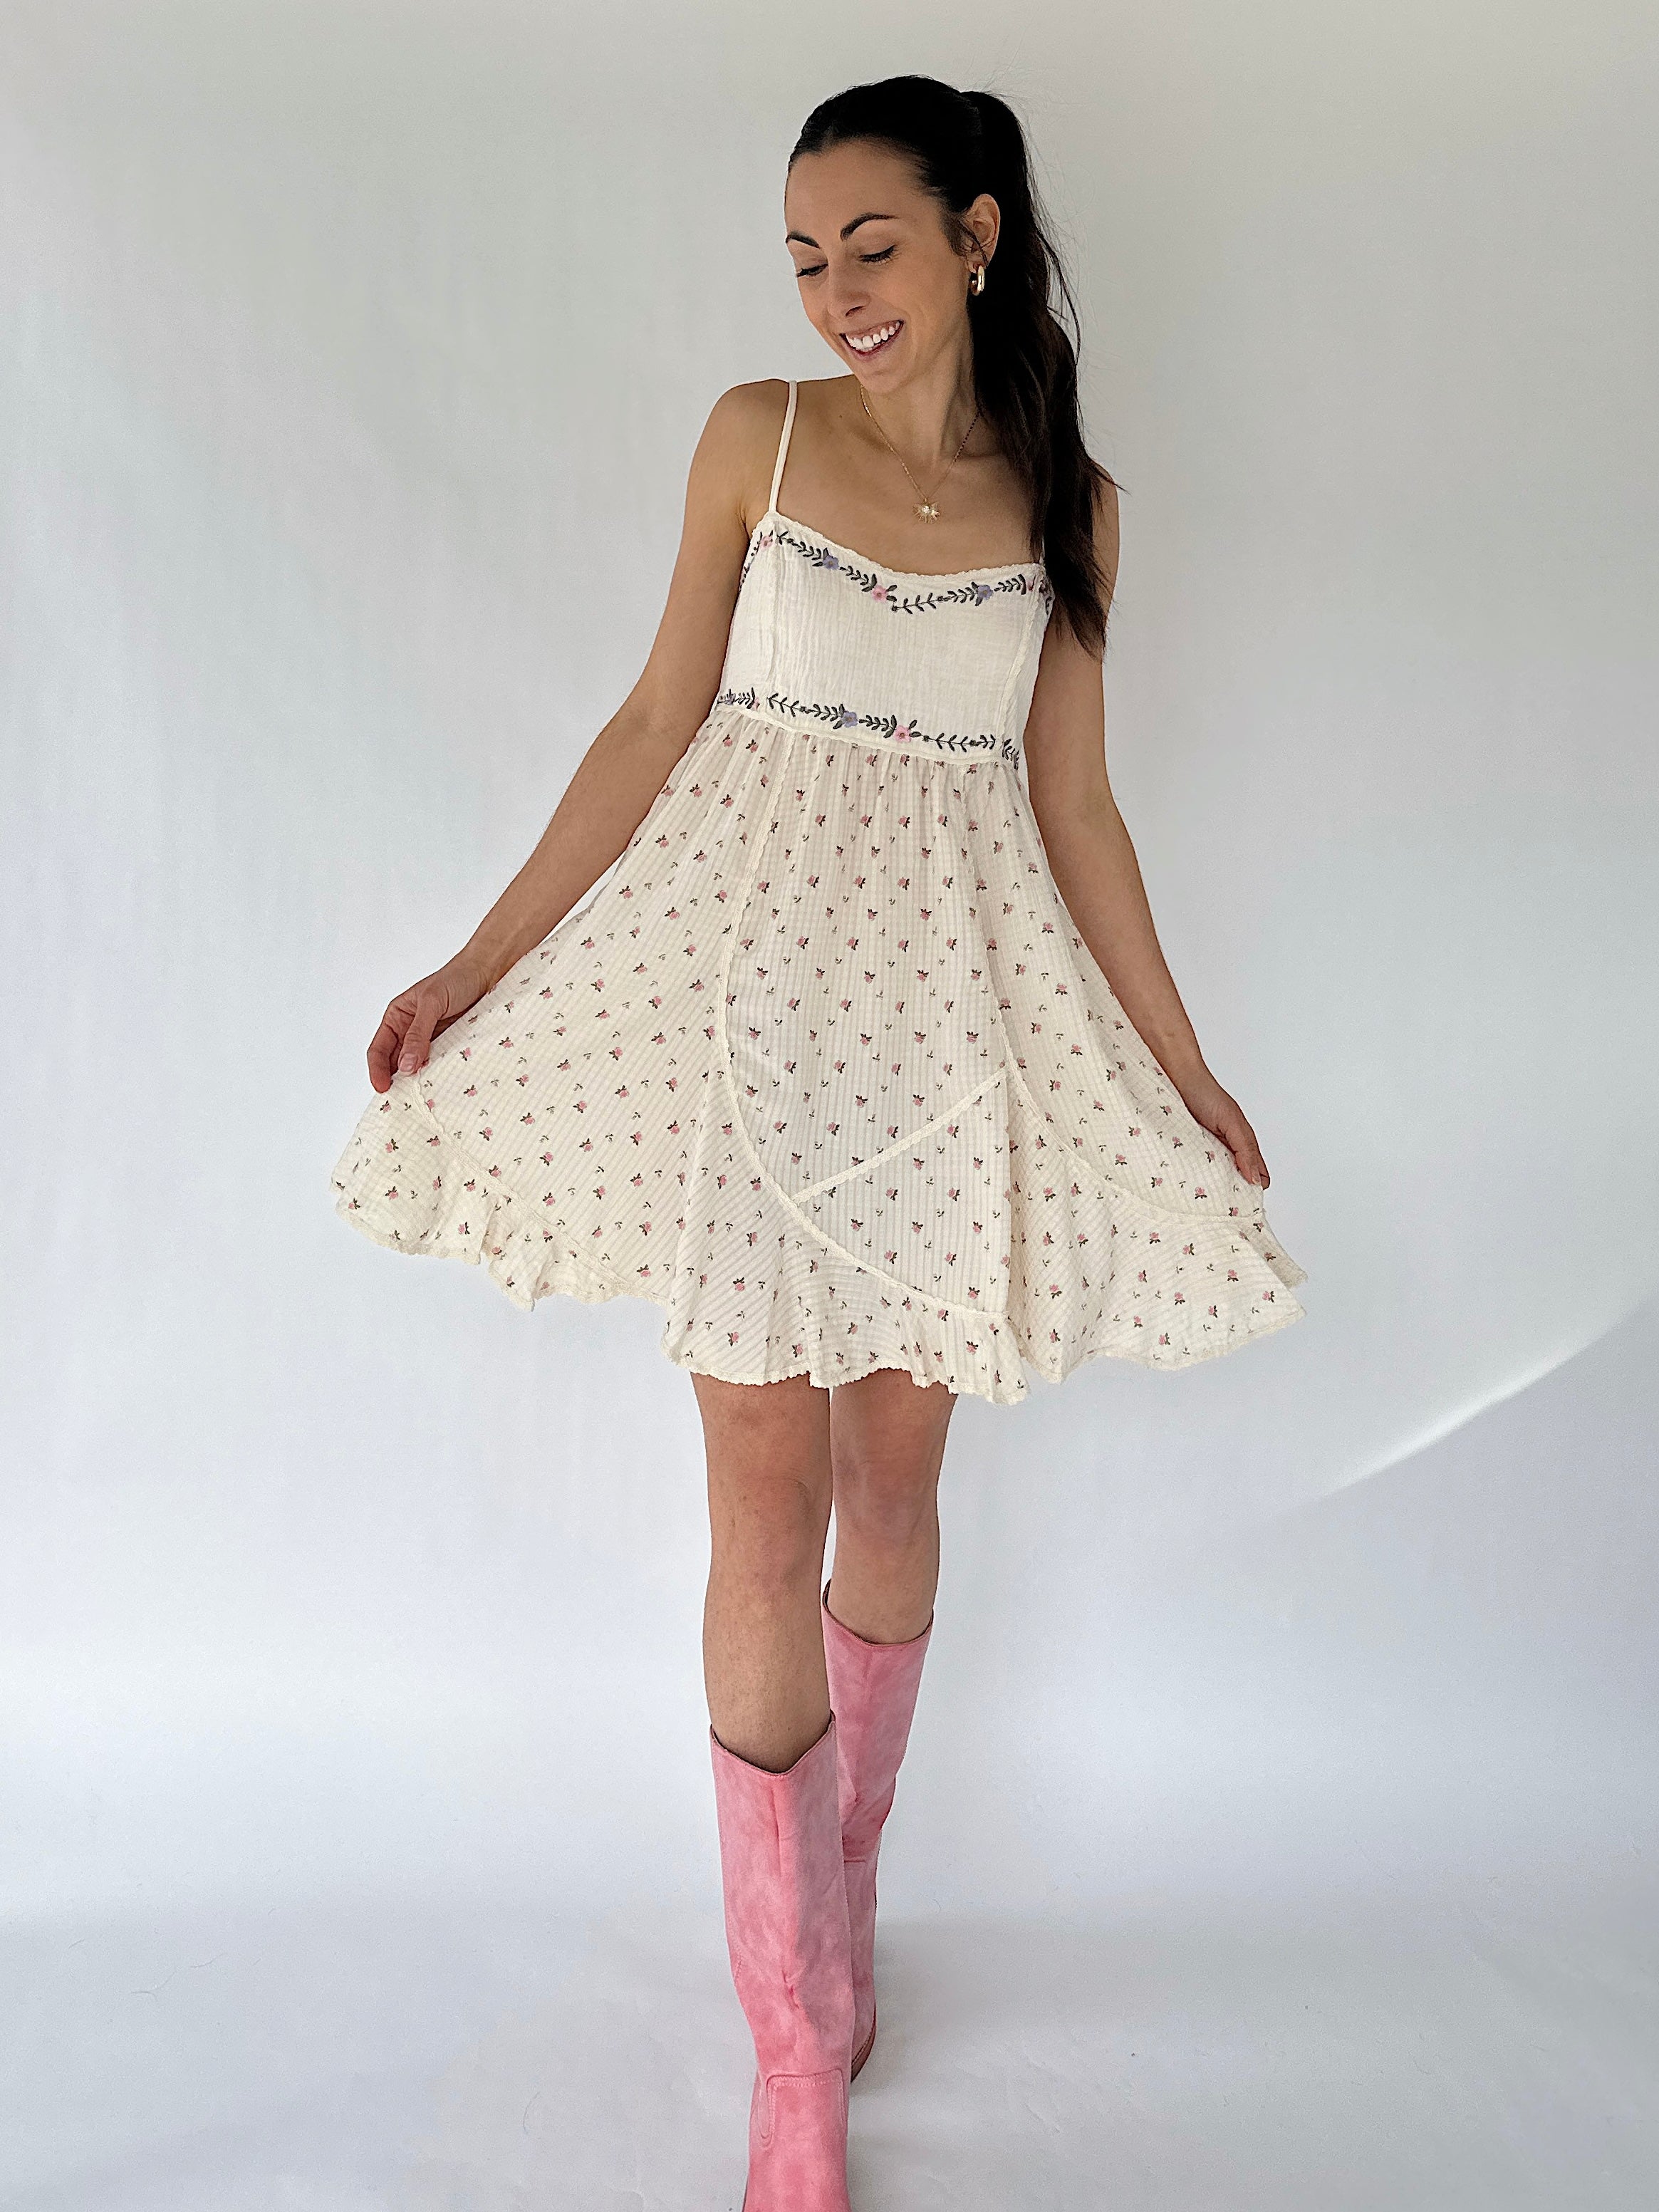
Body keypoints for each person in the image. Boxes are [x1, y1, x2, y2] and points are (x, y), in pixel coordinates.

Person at [331, 72, 1307, 2211]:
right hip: (739, 1019)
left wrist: (1181, 1057)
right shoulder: (749, 439)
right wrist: (481, 962)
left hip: (948, 1042)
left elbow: (1072, 807)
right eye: (800, 254)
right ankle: (790, 2046)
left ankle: (838, 1904)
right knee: (757, 1505)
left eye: (867, 242)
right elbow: (652, 720)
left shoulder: (1079, 509)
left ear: (972, 235)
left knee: (894, 1486)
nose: (831, 289)